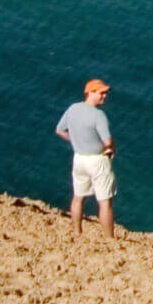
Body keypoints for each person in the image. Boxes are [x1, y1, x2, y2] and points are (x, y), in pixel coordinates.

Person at [55, 79, 118, 238]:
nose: (104, 96)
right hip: (97, 161)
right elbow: (107, 142)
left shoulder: (73, 109)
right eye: (101, 93)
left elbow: (60, 130)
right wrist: (110, 149)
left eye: (105, 93)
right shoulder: (98, 115)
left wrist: (76, 141)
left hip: (79, 159)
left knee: (78, 198)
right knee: (105, 202)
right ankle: (109, 239)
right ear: (90, 93)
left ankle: (77, 232)